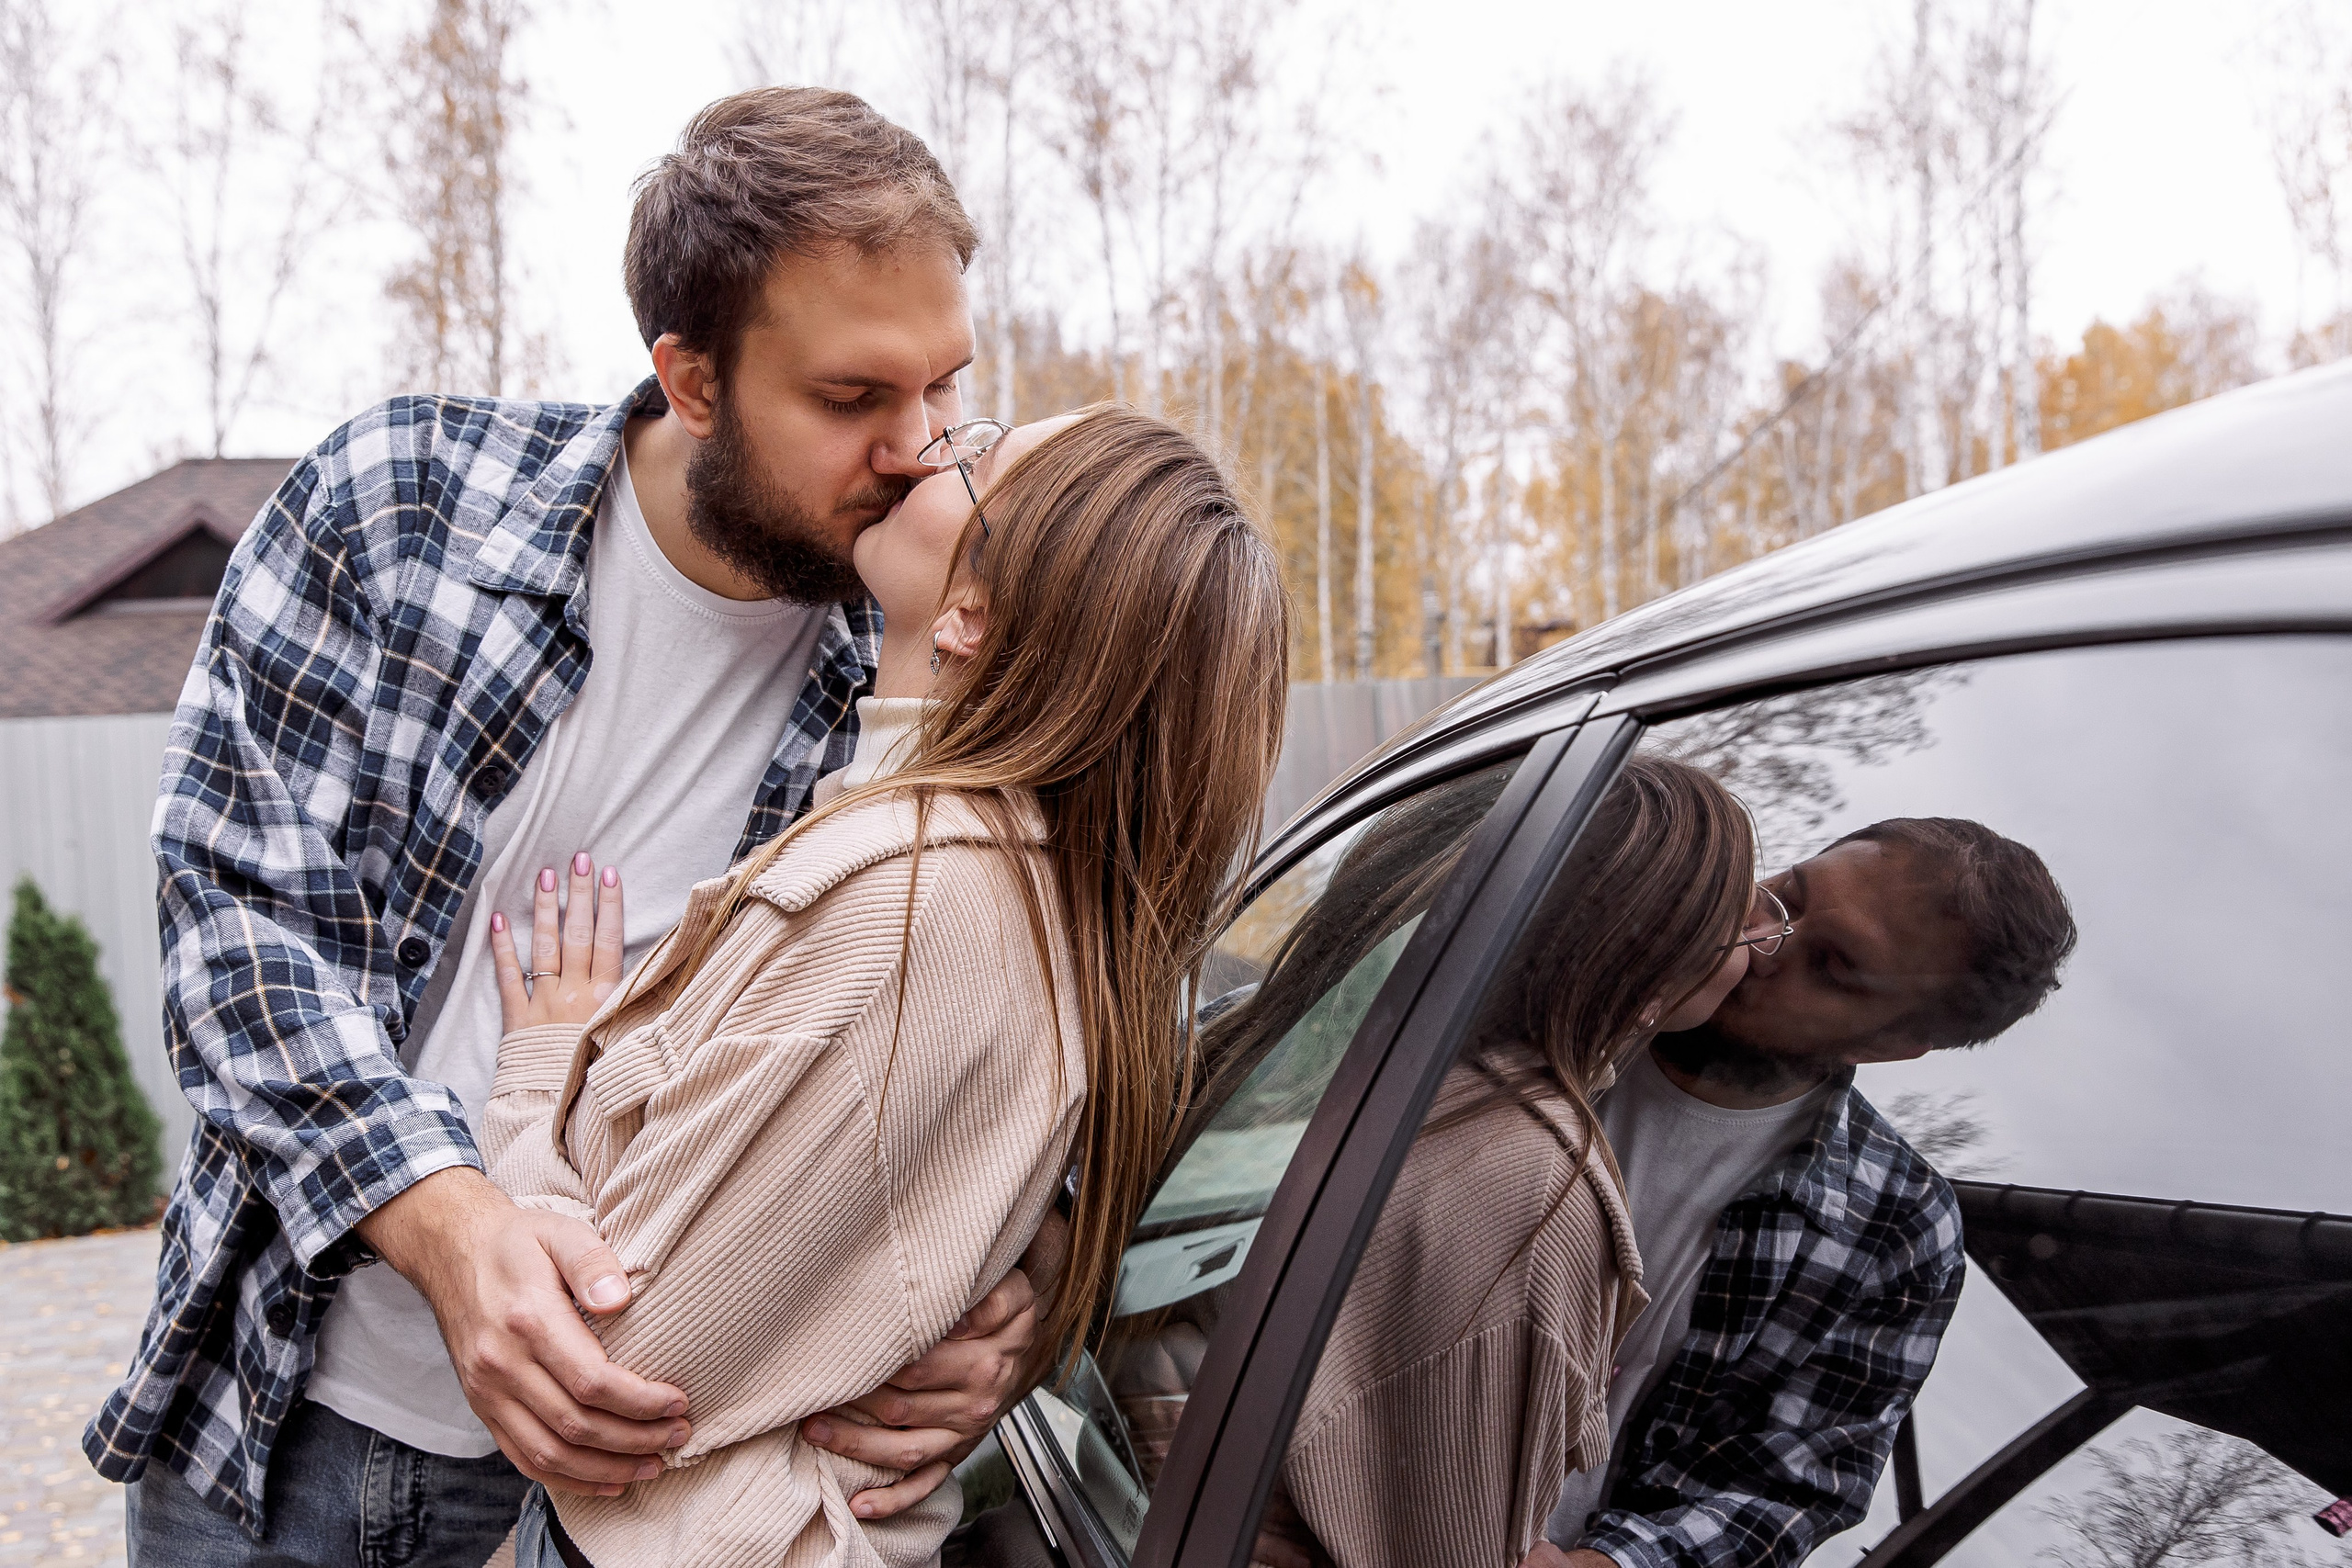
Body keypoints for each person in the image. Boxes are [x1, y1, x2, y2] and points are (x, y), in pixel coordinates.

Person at [88, 88, 1051, 1566]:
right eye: (854, 398)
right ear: (692, 378)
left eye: (943, 387)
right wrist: (449, 1224)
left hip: (637, 1480)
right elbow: (234, 920)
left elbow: (1035, 1019)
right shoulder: (397, 506)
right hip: (276, 1427)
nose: (919, 448)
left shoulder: (930, 649)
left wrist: (1025, 1288)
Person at [479, 404, 1290, 1566]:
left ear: (970, 615)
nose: (923, 446)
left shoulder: (908, 910)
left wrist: (536, 1073)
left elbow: (605, 1375)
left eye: (974, 454)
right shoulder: (981, 876)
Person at [1244, 756, 1783, 1568]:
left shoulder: (1343, 1048)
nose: (1766, 941)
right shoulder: (1540, 1195)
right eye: (1737, 915)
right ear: (1651, 974)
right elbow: (1455, 1546)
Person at [1531, 813, 2079, 1568]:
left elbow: (1789, 1483)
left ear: (1888, 1043)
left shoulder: (1900, 1225)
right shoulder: (1554, 993)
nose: (1760, 938)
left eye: (1830, 962)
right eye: (1787, 892)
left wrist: (1605, 1566)